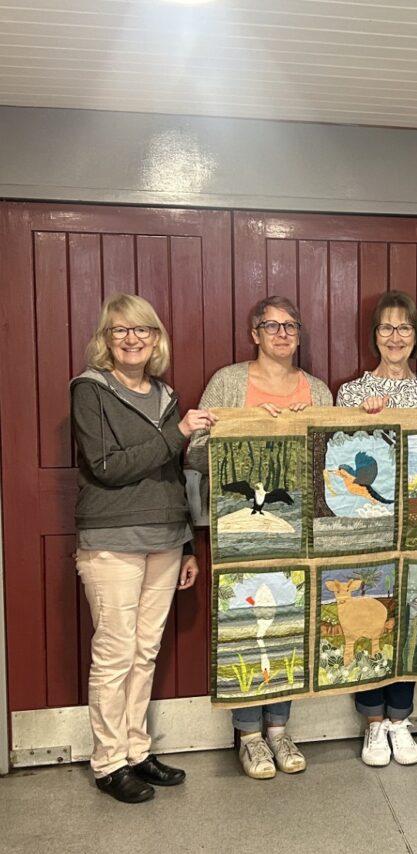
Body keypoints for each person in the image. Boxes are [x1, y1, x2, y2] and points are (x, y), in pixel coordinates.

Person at [72, 294, 215, 803]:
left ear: (156, 338)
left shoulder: (165, 394)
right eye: (119, 331)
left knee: (145, 651)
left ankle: (136, 751)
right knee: (115, 653)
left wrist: (187, 543)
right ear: (105, 339)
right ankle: (108, 762)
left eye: (142, 331)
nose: (132, 340)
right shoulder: (90, 391)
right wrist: (176, 432)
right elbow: (107, 466)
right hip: (111, 541)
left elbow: (173, 476)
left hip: (164, 540)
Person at [187, 295, 332, 780]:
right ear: (254, 332)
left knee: (290, 620)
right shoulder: (228, 382)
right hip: (239, 531)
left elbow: (326, 458)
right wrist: (251, 432)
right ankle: (249, 735)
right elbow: (195, 451)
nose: (282, 333)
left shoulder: (316, 389)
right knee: (245, 625)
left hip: (296, 532)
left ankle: (280, 729)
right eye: (271, 325)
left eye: (291, 324)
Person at [336, 291, 417, 768]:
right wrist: (362, 421)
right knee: (368, 617)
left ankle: (401, 718)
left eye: (404, 328)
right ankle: (372, 724)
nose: (395, 337)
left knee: (407, 615)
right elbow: (339, 458)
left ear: (415, 336)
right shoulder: (351, 393)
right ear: (374, 335)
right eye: (386, 328)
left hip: (416, 530)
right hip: (367, 531)